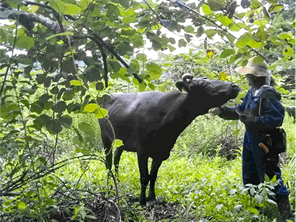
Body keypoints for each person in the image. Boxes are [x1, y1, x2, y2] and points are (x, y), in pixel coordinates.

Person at [210, 58, 293, 221]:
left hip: (265, 141)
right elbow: (240, 111)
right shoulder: (251, 93)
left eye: (248, 75)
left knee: (271, 174)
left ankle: (286, 215)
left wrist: (254, 121)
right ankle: (258, 208)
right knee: (250, 174)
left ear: (256, 76)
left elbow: (276, 118)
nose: (246, 78)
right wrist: (222, 111)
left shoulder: (267, 93)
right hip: (250, 139)